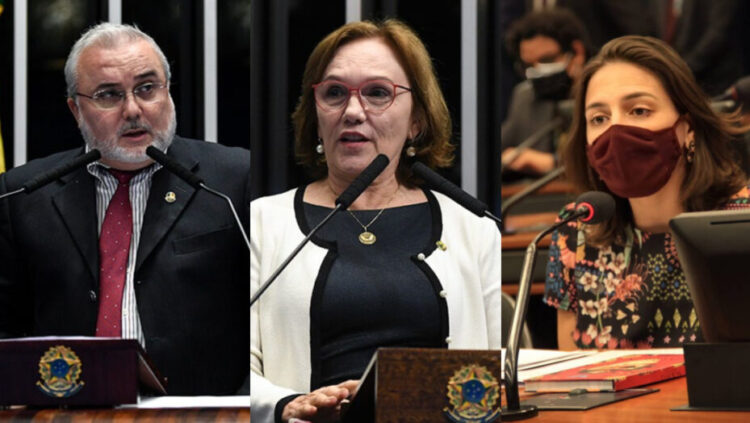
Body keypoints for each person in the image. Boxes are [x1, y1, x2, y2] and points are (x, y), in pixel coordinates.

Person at [250, 19, 501, 423]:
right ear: (316, 115)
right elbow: (229, 363)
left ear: (416, 120)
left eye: (378, 93)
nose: (352, 111)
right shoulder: (261, 222)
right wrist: (284, 404)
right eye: (334, 93)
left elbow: (502, 373)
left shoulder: (473, 227)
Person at [0, 23, 250, 395]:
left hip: (203, 412)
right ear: (76, 109)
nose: (133, 110)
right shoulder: (23, 193)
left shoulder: (232, 181)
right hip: (69, 412)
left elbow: (267, 322)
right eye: (108, 95)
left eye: (147, 89)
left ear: (168, 91)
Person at [544, 35, 750, 350]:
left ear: (688, 127)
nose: (616, 130)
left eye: (639, 111)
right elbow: (573, 379)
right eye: (599, 118)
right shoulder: (576, 231)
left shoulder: (742, 224)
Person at [501, 8, 591, 177]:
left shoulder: (600, 94)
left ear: (577, 52)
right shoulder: (525, 96)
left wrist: (553, 162)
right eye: (528, 65)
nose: (538, 71)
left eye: (546, 60)